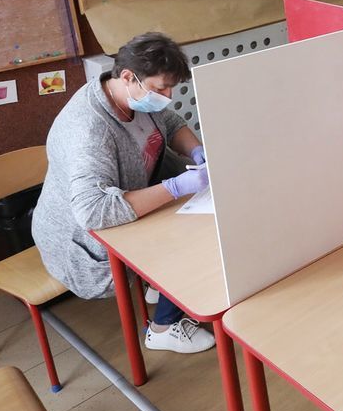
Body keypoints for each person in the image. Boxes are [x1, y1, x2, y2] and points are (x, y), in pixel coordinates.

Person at [32, 32, 216, 354]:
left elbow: (170, 122)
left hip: (129, 200)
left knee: (199, 217)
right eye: (162, 88)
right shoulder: (89, 130)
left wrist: (197, 151)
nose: (168, 96)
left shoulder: (130, 93)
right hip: (81, 242)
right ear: (129, 76)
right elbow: (94, 212)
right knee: (190, 237)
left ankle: (160, 285)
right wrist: (175, 187)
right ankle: (162, 328)